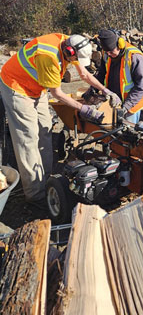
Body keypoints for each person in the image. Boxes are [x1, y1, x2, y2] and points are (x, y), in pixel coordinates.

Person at [0, 33, 116, 209]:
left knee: (45, 129)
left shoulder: (72, 44)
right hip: (17, 87)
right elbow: (58, 94)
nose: (75, 61)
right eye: (75, 59)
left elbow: (84, 74)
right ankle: (35, 195)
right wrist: (84, 109)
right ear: (69, 51)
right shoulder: (49, 57)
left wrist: (106, 91)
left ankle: (44, 180)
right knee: (28, 138)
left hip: (35, 88)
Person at [88, 29, 143, 124]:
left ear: (120, 45)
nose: (109, 55)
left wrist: (126, 107)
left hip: (132, 101)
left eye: (111, 51)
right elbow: (101, 73)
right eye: (107, 52)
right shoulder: (106, 53)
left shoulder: (134, 56)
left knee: (127, 132)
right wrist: (93, 88)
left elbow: (141, 85)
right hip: (114, 100)